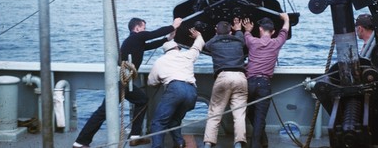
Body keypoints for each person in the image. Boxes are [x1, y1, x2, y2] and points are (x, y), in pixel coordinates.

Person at [72, 17, 182, 148]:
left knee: (142, 100)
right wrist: (173, 26)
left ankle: (135, 137)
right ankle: (80, 142)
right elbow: (154, 34)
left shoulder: (134, 42)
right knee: (103, 112)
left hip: (125, 81)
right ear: (137, 28)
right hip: (122, 82)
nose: (144, 31)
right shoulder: (135, 38)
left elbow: (150, 44)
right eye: (143, 28)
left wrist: (167, 39)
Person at [147, 27, 205, 148]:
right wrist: (198, 36)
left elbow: (151, 82)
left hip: (175, 90)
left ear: (165, 51)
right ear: (177, 48)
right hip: (191, 92)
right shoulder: (187, 55)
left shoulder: (160, 61)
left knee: (158, 122)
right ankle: (179, 143)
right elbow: (197, 46)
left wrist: (160, 81)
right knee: (174, 120)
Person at [242, 13, 290, 148]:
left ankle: (262, 142)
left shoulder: (252, 41)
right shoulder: (276, 42)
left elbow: (246, 34)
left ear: (260, 30)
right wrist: (286, 19)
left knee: (250, 114)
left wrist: (247, 29)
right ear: (273, 32)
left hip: (249, 83)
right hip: (264, 84)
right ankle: (258, 143)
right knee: (260, 118)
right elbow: (285, 31)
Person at [203, 18, 247, 148]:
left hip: (223, 77)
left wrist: (217, 34)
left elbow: (205, 46)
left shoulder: (213, 43)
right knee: (239, 114)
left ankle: (208, 144)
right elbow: (241, 38)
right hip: (240, 77)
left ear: (216, 31)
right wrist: (238, 29)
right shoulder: (239, 40)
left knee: (215, 113)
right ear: (231, 31)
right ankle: (238, 144)